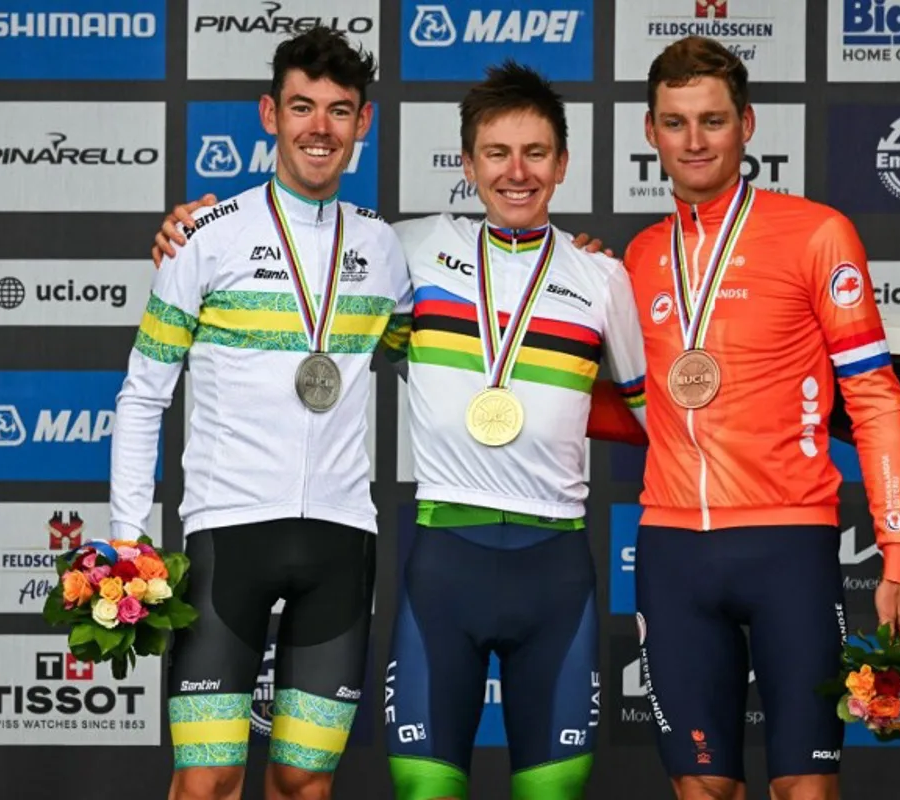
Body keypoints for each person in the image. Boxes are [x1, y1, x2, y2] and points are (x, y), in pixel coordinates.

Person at [148, 63, 647, 800]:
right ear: (468, 164)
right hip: (444, 559)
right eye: (496, 153)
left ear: (563, 163)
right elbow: (317, 265)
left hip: (557, 565)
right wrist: (186, 230)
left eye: (536, 152)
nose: (516, 172)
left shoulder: (603, 279)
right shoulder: (400, 250)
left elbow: (648, 415)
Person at [584, 36, 900, 800]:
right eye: (675, 123)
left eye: (712, 121)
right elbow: (649, 413)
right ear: (650, 133)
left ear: (748, 124)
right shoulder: (633, 261)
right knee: (703, 791)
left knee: (803, 790)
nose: (694, 141)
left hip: (789, 547)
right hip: (672, 552)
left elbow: (873, 396)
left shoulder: (816, 233)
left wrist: (898, 553)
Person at [110, 26, 411, 800]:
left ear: (363, 124)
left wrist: (572, 253)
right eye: (303, 107)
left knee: (304, 782)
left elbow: (442, 350)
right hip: (225, 540)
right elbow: (144, 393)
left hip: (343, 542)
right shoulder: (202, 237)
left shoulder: (385, 250)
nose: (321, 128)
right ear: (269, 113)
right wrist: (124, 539)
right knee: (206, 780)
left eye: (340, 111)